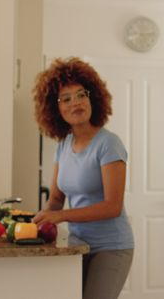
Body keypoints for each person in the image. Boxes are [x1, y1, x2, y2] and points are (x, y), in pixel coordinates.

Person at [32, 57, 134, 299]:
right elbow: (56, 198)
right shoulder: (64, 145)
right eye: (66, 99)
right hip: (77, 244)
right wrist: (40, 224)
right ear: (55, 109)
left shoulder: (108, 144)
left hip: (111, 247)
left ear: (92, 98)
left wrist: (60, 216)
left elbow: (112, 206)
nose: (75, 103)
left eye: (81, 95)